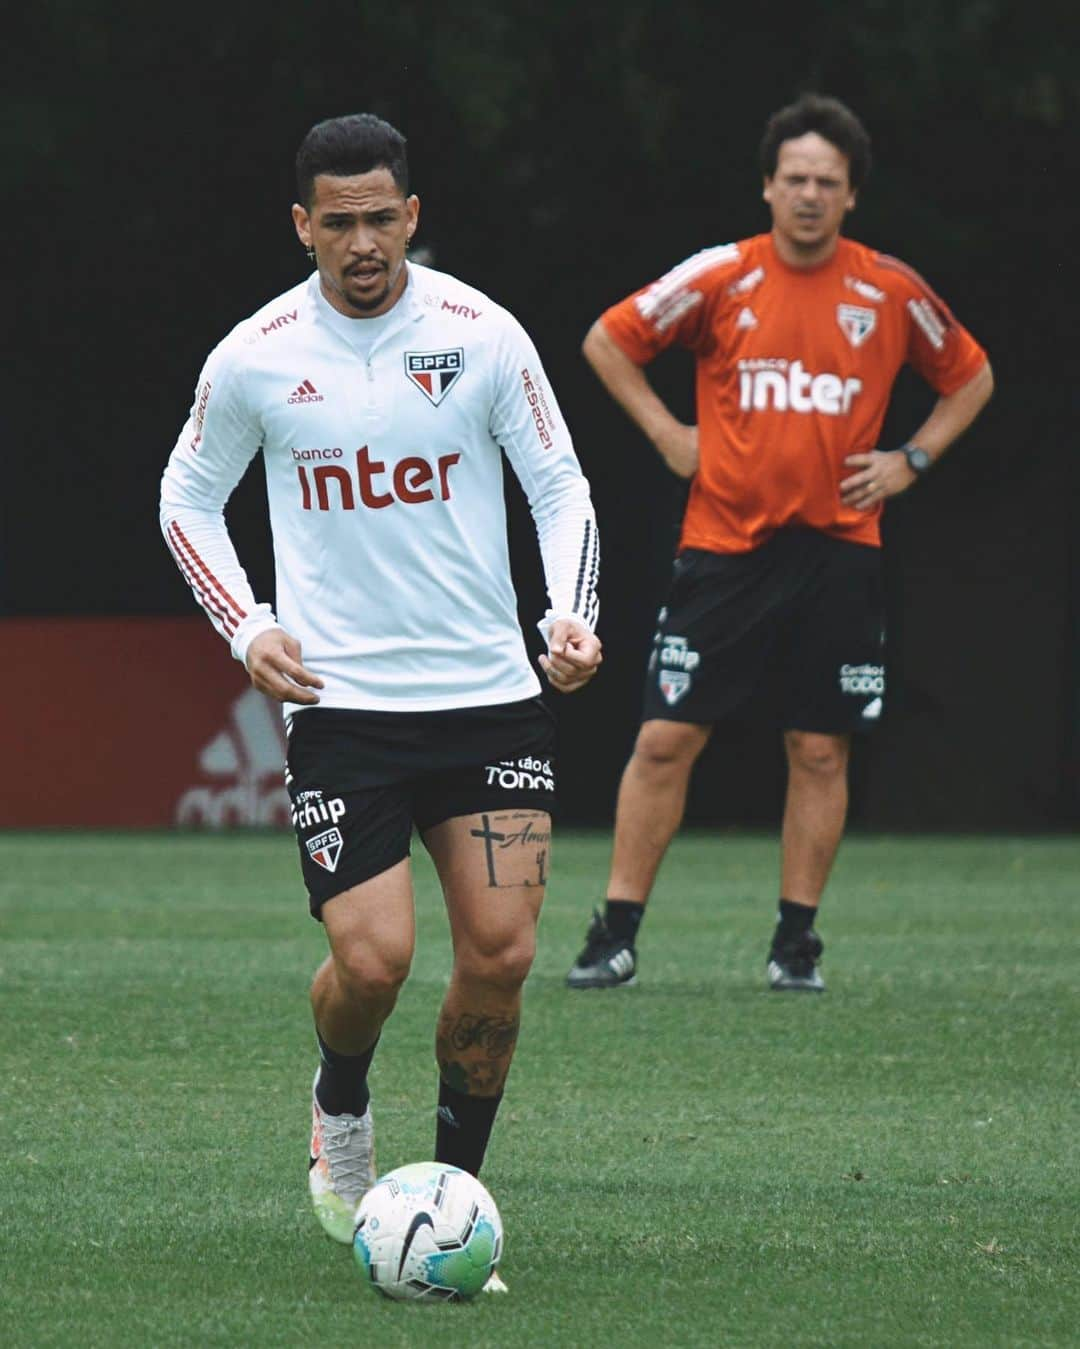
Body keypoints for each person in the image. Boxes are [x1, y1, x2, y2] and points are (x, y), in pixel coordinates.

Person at [160, 114, 602, 1281]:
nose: (362, 241)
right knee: (374, 961)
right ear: (303, 225)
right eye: (337, 221)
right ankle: (340, 1102)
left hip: (489, 698)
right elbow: (185, 499)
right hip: (343, 706)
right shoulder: (254, 355)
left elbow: (559, 485)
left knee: (500, 954)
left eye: (381, 217)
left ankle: (456, 1198)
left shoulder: (481, 333)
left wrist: (572, 610)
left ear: (414, 214)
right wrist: (248, 625)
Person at [566, 93, 991, 994]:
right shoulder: (722, 276)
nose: (808, 194)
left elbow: (971, 374)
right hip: (723, 547)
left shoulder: (889, 290)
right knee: (666, 738)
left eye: (826, 182)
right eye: (793, 178)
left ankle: (796, 942)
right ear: (766, 187)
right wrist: (667, 433)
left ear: (850, 197)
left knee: (820, 749)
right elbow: (610, 338)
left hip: (841, 552)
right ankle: (615, 931)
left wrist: (912, 458)